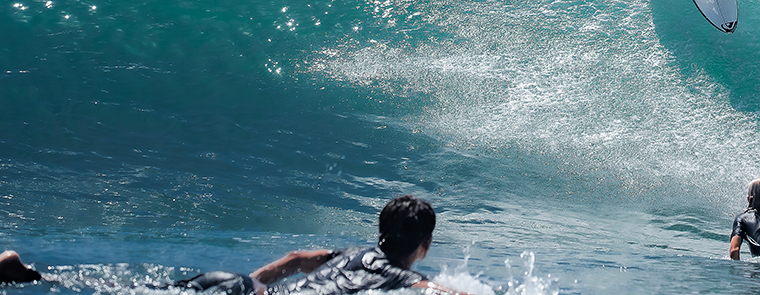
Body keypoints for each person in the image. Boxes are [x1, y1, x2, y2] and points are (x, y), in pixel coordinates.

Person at [1, 195, 470, 295]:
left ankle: (29, 274)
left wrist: (256, 284)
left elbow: (294, 260)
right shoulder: (401, 276)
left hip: (237, 286)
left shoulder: (348, 254)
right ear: (424, 245)